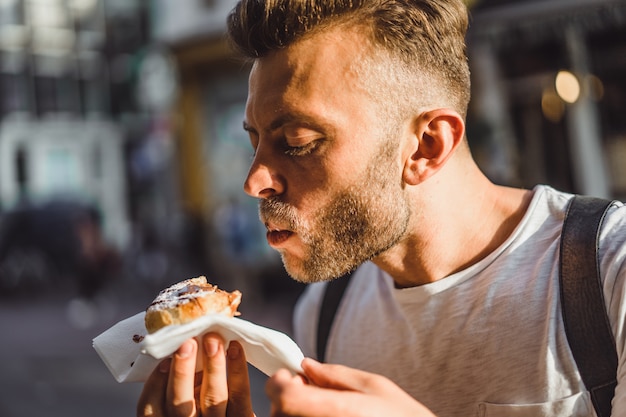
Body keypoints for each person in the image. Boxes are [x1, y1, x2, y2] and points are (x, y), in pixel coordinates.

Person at [137, 0, 626, 416]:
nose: (254, 181)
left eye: (298, 141)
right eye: (255, 141)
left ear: (426, 147)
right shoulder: (326, 312)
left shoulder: (609, 275)